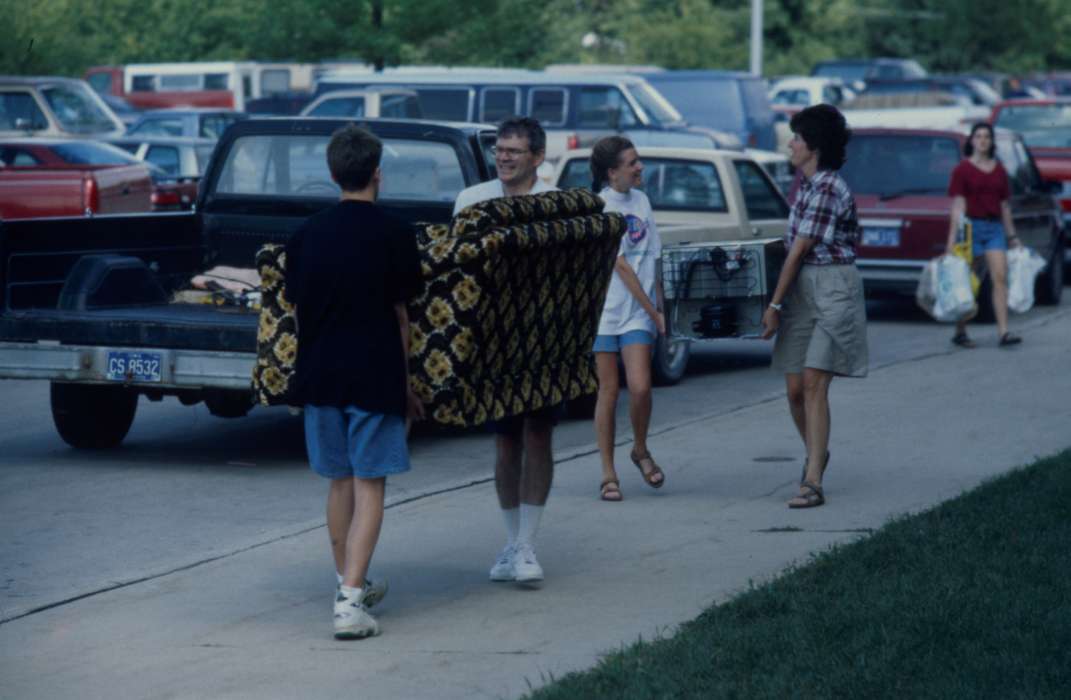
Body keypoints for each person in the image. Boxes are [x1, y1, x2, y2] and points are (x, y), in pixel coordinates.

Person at [285, 124, 424, 639]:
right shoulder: (395, 233)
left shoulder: (304, 236)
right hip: (375, 373)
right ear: (377, 173)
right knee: (371, 485)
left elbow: (297, 317)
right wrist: (406, 384)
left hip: (319, 375)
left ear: (331, 173)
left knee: (338, 482)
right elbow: (403, 318)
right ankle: (349, 600)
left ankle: (349, 584)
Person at [453, 116, 557, 584]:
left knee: (538, 434)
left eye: (515, 150)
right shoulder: (471, 201)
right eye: (500, 148)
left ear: (537, 157)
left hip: (543, 338)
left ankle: (526, 545)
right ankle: (512, 541)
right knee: (504, 439)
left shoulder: (557, 205)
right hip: (491, 343)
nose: (504, 156)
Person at [761, 104, 868, 509]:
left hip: (833, 287)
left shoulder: (826, 188)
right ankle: (817, 454)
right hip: (804, 288)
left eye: (797, 139)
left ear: (815, 146)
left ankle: (812, 481)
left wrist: (774, 303)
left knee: (813, 383)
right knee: (793, 389)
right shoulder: (804, 186)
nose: (791, 144)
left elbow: (801, 249)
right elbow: (790, 248)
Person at [588, 136, 666, 502]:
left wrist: (661, 307)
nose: (639, 167)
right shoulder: (600, 206)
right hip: (605, 311)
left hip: (638, 312)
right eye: (632, 163)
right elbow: (619, 263)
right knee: (608, 390)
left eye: (638, 161)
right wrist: (655, 312)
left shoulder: (643, 201)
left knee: (640, 387)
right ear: (612, 171)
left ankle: (640, 448)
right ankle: (608, 472)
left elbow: (652, 257)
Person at [946, 122, 1022, 348]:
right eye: (978, 136)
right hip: (971, 230)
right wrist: (951, 241)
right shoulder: (962, 170)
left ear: (991, 142)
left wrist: (1012, 236)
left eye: (986, 137)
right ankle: (960, 330)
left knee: (1000, 277)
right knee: (970, 282)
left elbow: (1005, 206)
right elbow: (958, 206)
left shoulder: (999, 170)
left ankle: (1004, 332)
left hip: (994, 228)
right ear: (971, 141)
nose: (982, 140)